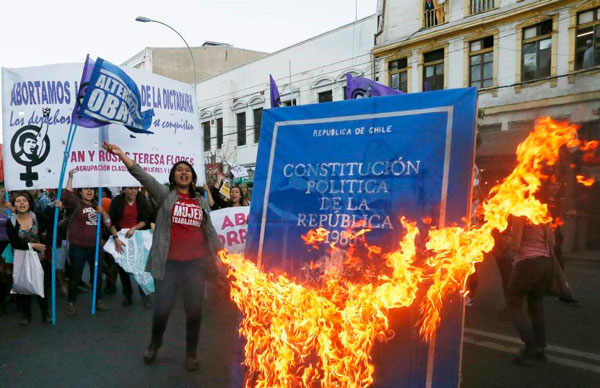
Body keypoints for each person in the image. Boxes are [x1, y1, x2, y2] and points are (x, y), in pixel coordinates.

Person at [103, 142, 224, 371]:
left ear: (193, 177)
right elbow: (142, 176)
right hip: (168, 264)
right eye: (179, 169)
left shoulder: (200, 202)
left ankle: (191, 353)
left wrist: (222, 255)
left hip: (195, 265)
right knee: (163, 309)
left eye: (187, 170)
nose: (184, 172)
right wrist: (121, 154)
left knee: (194, 311)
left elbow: (209, 230)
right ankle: (155, 342)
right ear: (173, 176)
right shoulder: (164, 195)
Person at [57, 169, 111, 316]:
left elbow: (108, 223)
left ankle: (98, 300)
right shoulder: (76, 204)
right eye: (86, 189)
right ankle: (71, 303)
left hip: (95, 248)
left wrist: (103, 213)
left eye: (92, 189)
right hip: (78, 247)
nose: (89, 191)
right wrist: (70, 177)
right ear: (80, 192)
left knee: (97, 275)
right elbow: (67, 196)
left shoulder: (97, 206)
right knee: (75, 276)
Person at [508, 216, 554, 364]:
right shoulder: (544, 213)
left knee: (513, 303)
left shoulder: (519, 213)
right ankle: (540, 349)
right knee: (536, 305)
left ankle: (530, 344)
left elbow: (515, 245)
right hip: (545, 262)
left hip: (527, 262)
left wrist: (508, 246)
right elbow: (552, 243)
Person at [6, 192, 51, 324]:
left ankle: (45, 314)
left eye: (24, 200)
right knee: (24, 286)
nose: (21, 203)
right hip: (22, 259)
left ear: (29, 203)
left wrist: (58, 208)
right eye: (18, 201)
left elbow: (52, 222)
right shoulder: (11, 222)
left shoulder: (37, 217)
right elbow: (15, 243)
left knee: (42, 286)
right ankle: (26, 315)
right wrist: (33, 246)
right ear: (14, 205)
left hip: (40, 258)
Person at [109, 187, 152, 308]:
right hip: (121, 238)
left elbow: (145, 220)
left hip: (137, 237)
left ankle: (145, 296)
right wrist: (116, 238)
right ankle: (127, 295)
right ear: (124, 190)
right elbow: (112, 223)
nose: (134, 191)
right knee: (123, 269)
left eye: (135, 189)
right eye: (131, 189)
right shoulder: (117, 201)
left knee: (140, 267)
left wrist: (134, 228)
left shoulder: (141, 200)